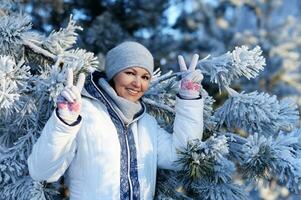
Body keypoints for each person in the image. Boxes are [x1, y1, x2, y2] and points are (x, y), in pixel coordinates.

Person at [27, 41, 204, 200]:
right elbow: (41, 172)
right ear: (113, 74)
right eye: (130, 72)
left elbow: (180, 157)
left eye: (145, 77)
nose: (137, 83)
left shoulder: (147, 123)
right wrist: (64, 122)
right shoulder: (83, 113)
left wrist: (189, 99)